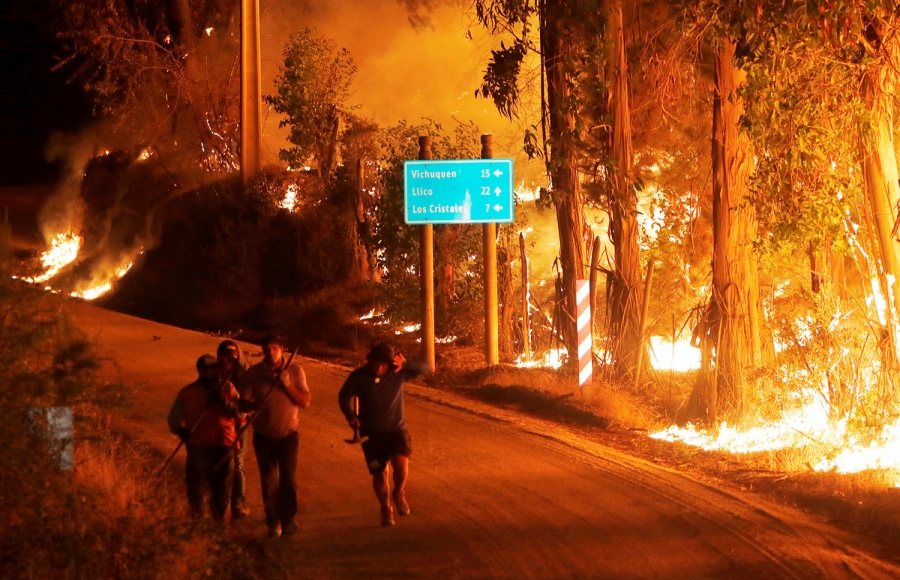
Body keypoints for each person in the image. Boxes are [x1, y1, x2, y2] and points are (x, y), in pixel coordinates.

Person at [338, 342, 429, 526]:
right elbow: (344, 396)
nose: (379, 368)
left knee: (401, 464)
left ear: (390, 363)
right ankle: (386, 508)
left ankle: (399, 492)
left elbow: (426, 368)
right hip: (370, 434)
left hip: (396, 429)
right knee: (379, 474)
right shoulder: (359, 376)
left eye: (383, 365)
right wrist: (351, 416)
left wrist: (407, 363)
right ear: (369, 361)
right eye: (375, 364)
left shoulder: (399, 372)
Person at [238, 334, 311, 538]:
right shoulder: (253, 373)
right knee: (269, 481)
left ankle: (289, 520)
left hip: (289, 435)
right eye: (267, 348)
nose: (271, 352)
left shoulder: (295, 371)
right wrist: (253, 405)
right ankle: (273, 521)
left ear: (282, 349)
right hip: (263, 436)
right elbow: (242, 404)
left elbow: (305, 402)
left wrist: (286, 384)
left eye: (274, 348)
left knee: (288, 479)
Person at [167, 354, 240, 521]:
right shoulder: (188, 392)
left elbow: (239, 414)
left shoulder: (228, 389)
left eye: (216, 368)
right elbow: (174, 417)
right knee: (197, 488)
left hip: (224, 444)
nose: (214, 372)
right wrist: (180, 430)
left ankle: (219, 525)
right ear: (200, 370)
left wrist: (223, 402)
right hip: (198, 446)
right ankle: (197, 525)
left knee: (222, 490)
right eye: (210, 369)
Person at [217, 339, 251, 520]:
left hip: (239, 425)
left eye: (231, 356)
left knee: (238, 464)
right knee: (219, 463)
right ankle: (218, 502)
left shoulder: (243, 375)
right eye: (224, 356)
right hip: (217, 425)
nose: (227, 360)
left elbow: (248, 401)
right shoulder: (213, 374)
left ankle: (237, 503)